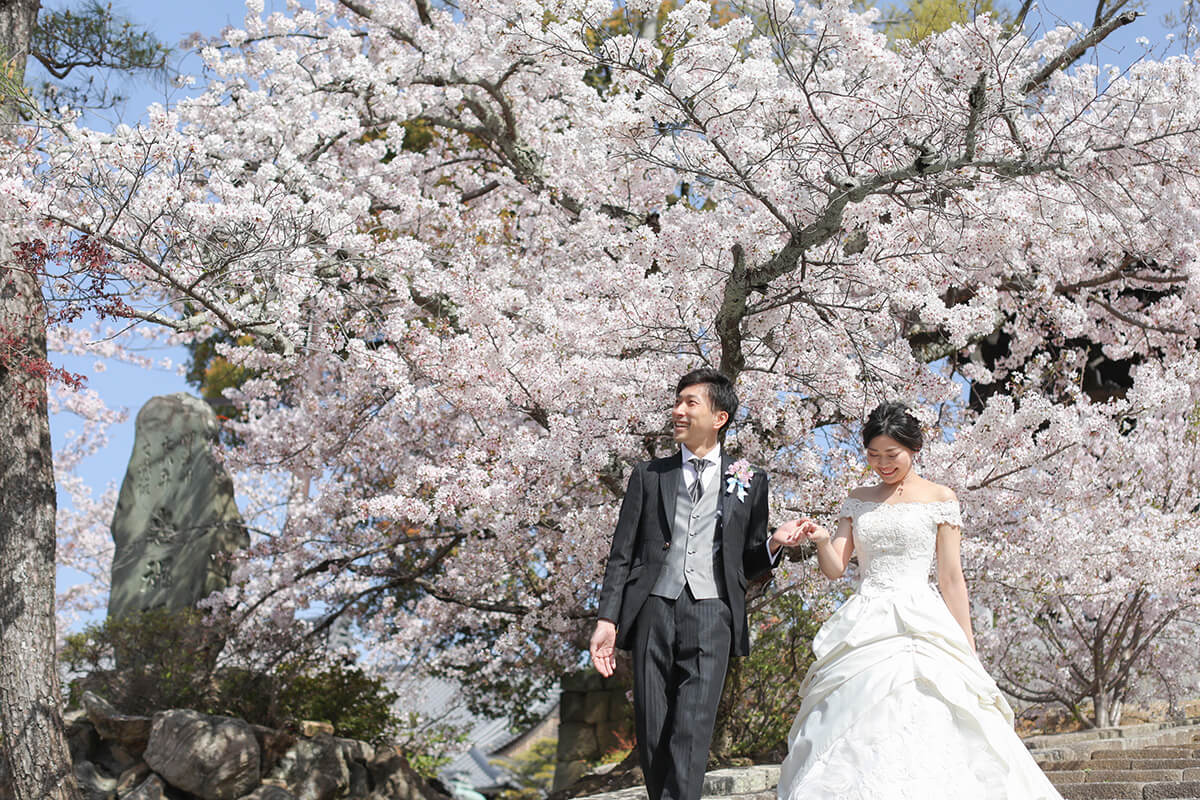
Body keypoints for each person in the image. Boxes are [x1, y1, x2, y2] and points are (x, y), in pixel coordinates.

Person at [774, 401, 1063, 799]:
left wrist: (967, 648)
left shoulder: (940, 497)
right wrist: (823, 539)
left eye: (891, 455)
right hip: (867, 620)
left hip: (921, 618)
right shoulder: (858, 498)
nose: (882, 463)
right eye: (873, 455)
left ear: (913, 448)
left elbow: (951, 578)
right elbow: (836, 568)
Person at [590, 369, 804, 800]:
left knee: (691, 730)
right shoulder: (649, 474)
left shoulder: (750, 478)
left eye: (690, 403)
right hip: (653, 607)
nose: (678, 411)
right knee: (653, 729)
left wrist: (773, 545)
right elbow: (622, 554)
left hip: (712, 613)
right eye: (677, 402)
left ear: (719, 417)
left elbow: (747, 562)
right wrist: (607, 619)